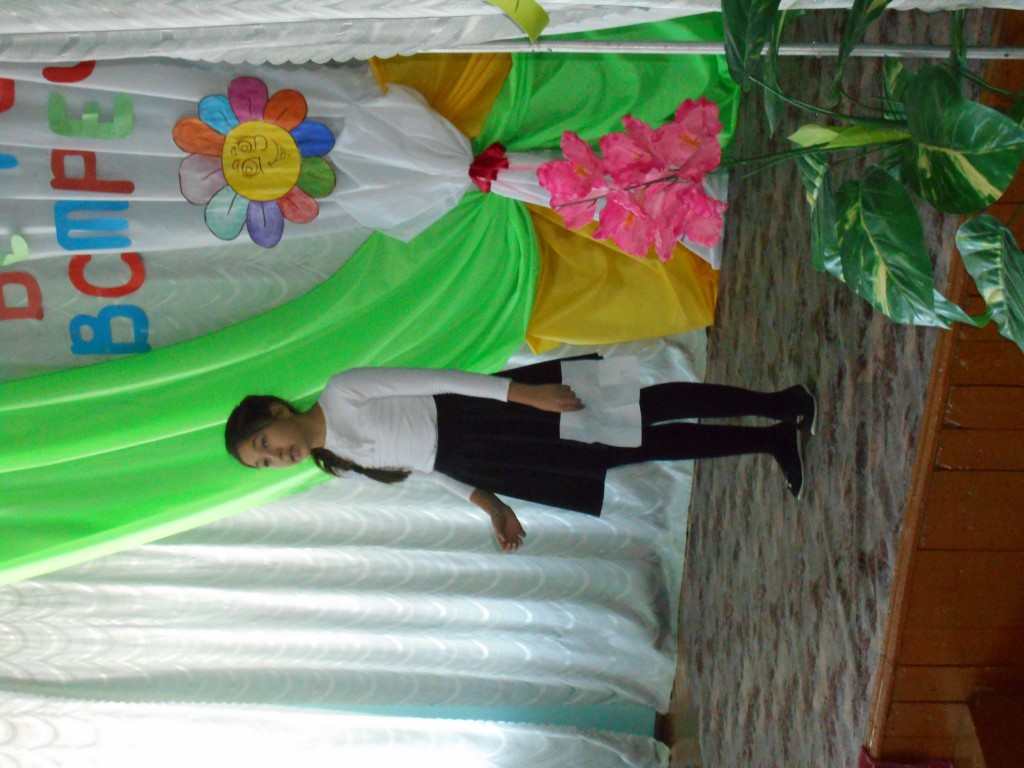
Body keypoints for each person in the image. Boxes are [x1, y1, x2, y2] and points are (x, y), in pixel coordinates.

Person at [225, 362, 815, 552]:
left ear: (276, 411)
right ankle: (771, 441)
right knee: (641, 448)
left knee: (645, 407)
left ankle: (780, 402)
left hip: (492, 414)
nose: (276, 457)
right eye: (265, 464)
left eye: (265, 444)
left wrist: (528, 395)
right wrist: (491, 505)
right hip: (484, 460)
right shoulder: (336, 461)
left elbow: (440, 380)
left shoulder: (343, 390)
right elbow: (428, 467)